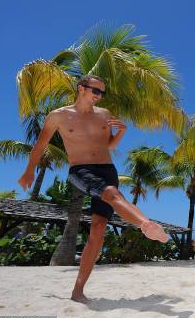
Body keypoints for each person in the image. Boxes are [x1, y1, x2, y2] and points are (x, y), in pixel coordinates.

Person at [18, 75, 169, 304]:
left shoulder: (105, 115)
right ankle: (145, 225)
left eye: (102, 93)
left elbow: (107, 146)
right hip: (80, 170)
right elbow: (40, 145)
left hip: (108, 169)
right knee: (113, 194)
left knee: (98, 231)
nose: (99, 96)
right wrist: (30, 170)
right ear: (81, 88)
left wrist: (121, 133)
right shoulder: (58, 116)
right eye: (95, 91)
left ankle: (78, 290)